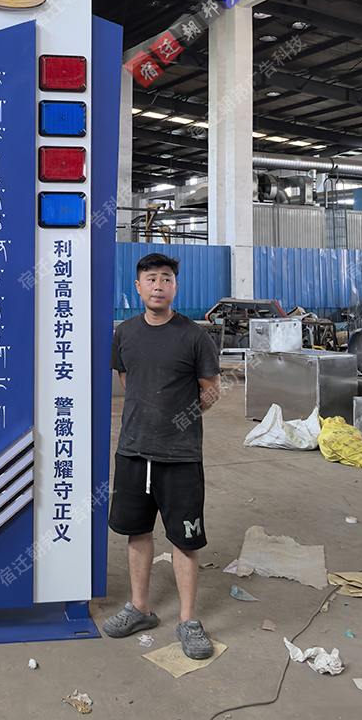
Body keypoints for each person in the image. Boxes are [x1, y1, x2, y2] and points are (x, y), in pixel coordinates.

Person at [103, 252, 221, 659]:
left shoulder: (194, 336)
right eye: (150, 278)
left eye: (166, 278)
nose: (158, 285)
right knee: (137, 532)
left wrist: (180, 419)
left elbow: (211, 389)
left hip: (181, 456)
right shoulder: (125, 333)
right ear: (138, 287)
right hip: (133, 450)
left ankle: (188, 620)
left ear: (175, 286)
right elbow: (127, 378)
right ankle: (140, 609)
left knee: (185, 540)